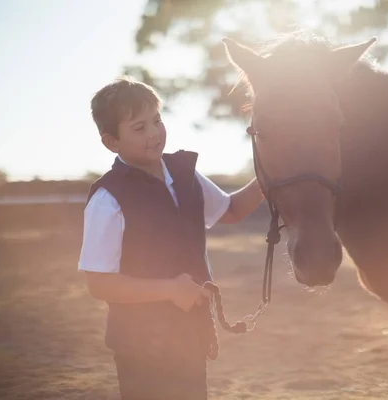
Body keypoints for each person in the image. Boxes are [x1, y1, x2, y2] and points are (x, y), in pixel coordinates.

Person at [78, 76, 264, 399]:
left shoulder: (184, 174)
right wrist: (169, 290)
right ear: (112, 142)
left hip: (190, 336)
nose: (154, 134)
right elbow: (99, 284)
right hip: (140, 348)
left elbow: (231, 210)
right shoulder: (107, 199)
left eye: (157, 121)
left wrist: (269, 177)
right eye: (139, 128)